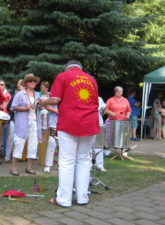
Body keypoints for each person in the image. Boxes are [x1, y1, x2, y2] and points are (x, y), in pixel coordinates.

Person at [40, 60, 99, 207]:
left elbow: (55, 100)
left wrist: (43, 102)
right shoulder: (91, 79)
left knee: (67, 161)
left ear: (67, 67)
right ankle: (82, 198)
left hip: (70, 122)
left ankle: (64, 199)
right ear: (80, 68)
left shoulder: (63, 76)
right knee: (84, 160)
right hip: (90, 123)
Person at [10, 74, 42, 176]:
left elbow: (38, 108)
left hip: (34, 122)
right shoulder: (20, 94)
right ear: (26, 83)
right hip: (22, 122)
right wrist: (25, 108)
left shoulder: (37, 95)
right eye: (30, 81)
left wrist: (40, 106)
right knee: (19, 143)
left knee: (33, 146)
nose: (33, 83)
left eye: (34, 81)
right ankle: (13, 168)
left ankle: (29, 168)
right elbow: (13, 107)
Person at [4, 79, 24, 162]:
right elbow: (9, 107)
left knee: (20, 140)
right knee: (11, 138)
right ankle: (7, 156)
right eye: (20, 85)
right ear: (18, 86)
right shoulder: (15, 95)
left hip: (22, 121)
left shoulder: (28, 96)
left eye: (22, 85)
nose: (21, 86)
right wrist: (17, 109)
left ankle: (16, 157)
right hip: (14, 120)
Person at [91, 96, 107, 172]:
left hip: (99, 123)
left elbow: (104, 109)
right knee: (88, 146)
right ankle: (89, 164)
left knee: (99, 145)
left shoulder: (99, 98)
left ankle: (100, 165)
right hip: (88, 124)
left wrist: (102, 112)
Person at [0, 80, 11, 157]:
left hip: (4, 117)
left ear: (4, 86)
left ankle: (4, 153)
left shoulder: (7, 95)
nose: (0, 86)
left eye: (2, 84)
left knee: (4, 135)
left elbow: (4, 106)